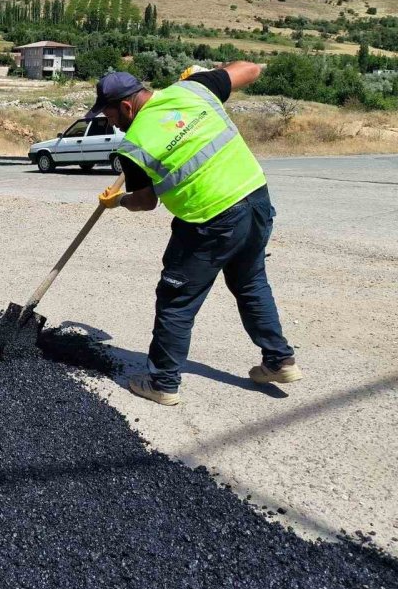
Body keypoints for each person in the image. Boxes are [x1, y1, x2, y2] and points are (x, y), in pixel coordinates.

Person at [89, 65, 300, 406]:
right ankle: (279, 360)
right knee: (250, 283)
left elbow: (145, 202)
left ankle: (162, 383)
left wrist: (118, 201)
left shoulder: (134, 146)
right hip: (255, 199)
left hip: (209, 219)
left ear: (126, 107)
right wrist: (207, 73)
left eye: (109, 115)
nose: (109, 122)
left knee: (176, 300)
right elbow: (252, 69)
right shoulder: (192, 90)